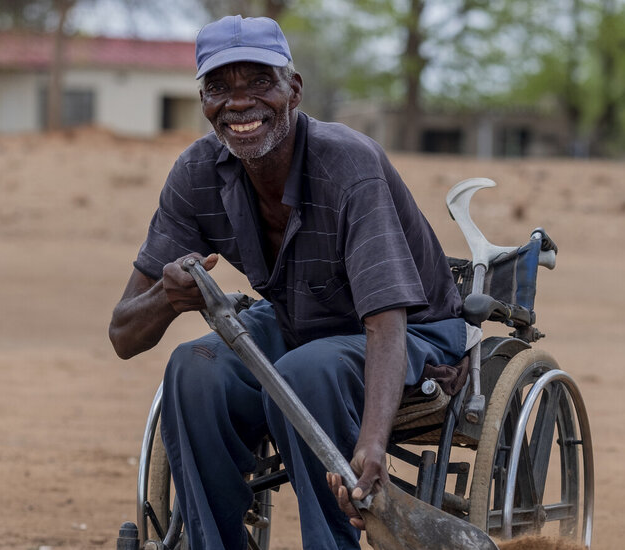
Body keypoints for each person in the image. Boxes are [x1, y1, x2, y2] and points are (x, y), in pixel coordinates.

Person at [107, 15, 468, 550]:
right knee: (193, 367)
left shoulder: (349, 164)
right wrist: (166, 296)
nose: (238, 104)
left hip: (412, 331)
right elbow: (123, 334)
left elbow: (385, 321)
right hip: (296, 321)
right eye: (218, 88)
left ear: (293, 89)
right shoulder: (197, 173)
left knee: (306, 370)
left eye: (258, 82)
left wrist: (371, 444)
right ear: (203, 101)